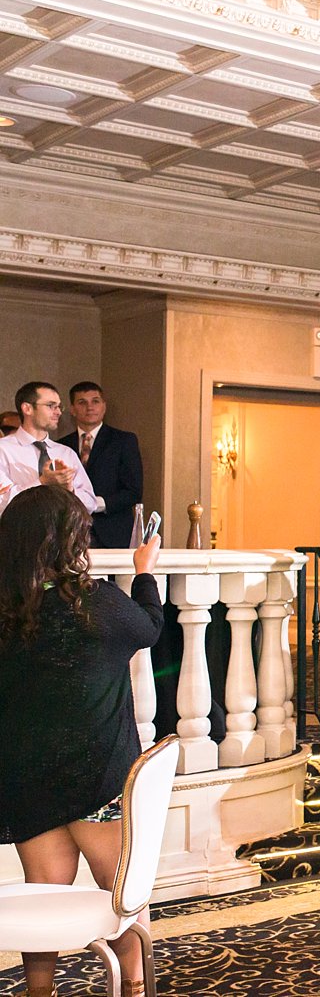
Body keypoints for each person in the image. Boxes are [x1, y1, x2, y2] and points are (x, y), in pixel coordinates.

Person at [0, 485, 164, 997]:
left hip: (30, 783)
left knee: (42, 905)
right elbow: (152, 629)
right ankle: (133, 988)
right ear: (68, 542)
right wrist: (143, 572)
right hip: (100, 780)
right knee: (124, 903)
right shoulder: (98, 604)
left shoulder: (4, 615)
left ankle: (38, 993)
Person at [59, 381, 145, 548]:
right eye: (82, 402)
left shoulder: (124, 441)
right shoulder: (61, 445)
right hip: (70, 533)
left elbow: (134, 491)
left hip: (112, 531)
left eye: (95, 401)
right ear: (73, 409)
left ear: (104, 407)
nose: (90, 407)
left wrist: (95, 504)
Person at [0, 382, 99, 521]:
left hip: (61, 536)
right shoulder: (3, 449)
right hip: (17, 537)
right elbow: (2, 502)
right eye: (51, 406)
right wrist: (42, 482)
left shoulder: (66, 453)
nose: (58, 412)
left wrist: (69, 490)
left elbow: (91, 503)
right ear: (27, 408)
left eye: (59, 406)